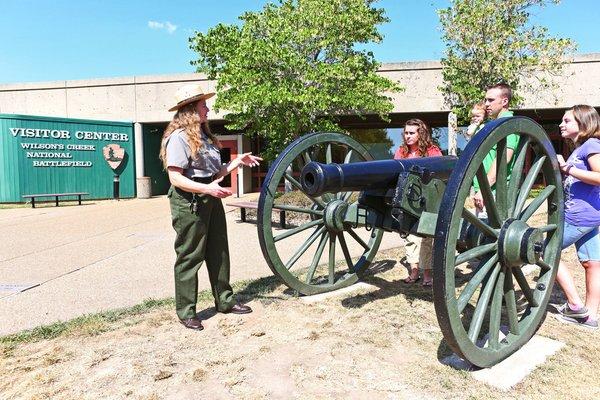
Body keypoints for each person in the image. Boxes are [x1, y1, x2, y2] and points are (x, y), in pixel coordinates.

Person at [159, 84, 262, 330]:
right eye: (203, 105)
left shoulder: (204, 136)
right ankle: (186, 311)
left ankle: (225, 301)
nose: (208, 108)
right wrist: (206, 189)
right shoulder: (178, 138)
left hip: (210, 194)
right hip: (189, 200)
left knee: (219, 250)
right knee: (190, 255)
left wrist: (236, 161)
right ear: (191, 110)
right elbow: (175, 178)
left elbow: (214, 172)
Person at [554, 105, 600, 330]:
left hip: (579, 217)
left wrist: (568, 169)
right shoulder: (580, 148)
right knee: (592, 264)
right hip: (591, 215)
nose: (561, 124)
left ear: (583, 124)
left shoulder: (591, 145)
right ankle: (590, 317)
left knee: (544, 252)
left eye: (567, 121)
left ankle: (574, 305)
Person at [395, 119, 442, 287]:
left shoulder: (432, 151)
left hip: (426, 198)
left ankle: (427, 274)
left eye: (411, 133)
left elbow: (439, 175)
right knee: (408, 236)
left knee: (426, 238)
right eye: (406, 133)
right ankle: (414, 271)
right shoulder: (401, 152)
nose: (408, 136)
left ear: (420, 134)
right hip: (407, 199)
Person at [471, 83, 520, 215]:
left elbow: (503, 160)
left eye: (491, 100)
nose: (486, 104)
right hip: (485, 189)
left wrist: (484, 190)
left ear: (504, 101)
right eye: (486, 100)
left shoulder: (508, 124)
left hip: (495, 192)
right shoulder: (493, 125)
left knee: (488, 234)